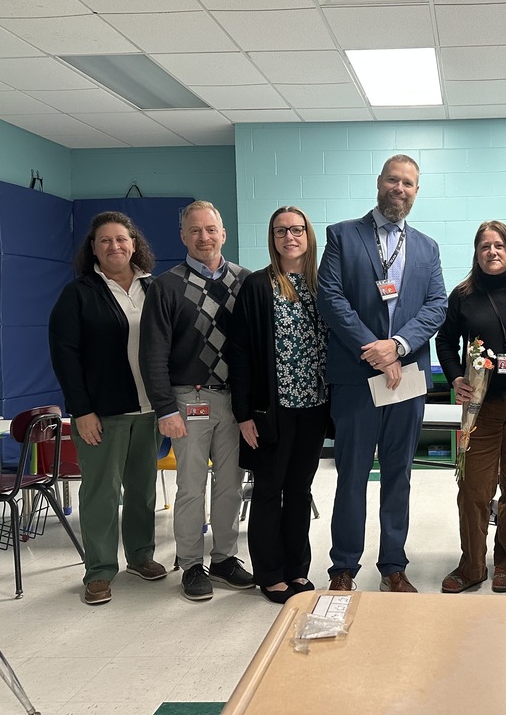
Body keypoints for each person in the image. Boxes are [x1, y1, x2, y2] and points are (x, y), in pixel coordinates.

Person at [317, 154, 447, 593]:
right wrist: (375, 350)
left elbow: (437, 305)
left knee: (398, 474)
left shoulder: (427, 247)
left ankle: (393, 565)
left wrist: (399, 346)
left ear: (416, 191)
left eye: (408, 183)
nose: (400, 188)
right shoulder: (342, 235)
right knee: (352, 475)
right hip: (357, 377)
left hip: (406, 378)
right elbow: (331, 298)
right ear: (379, 182)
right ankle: (343, 566)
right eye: (393, 180)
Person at [48, 211, 166, 605]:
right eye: (105, 240)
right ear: (94, 249)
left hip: (150, 410)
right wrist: (81, 410)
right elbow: (65, 356)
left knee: (143, 490)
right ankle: (98, 571)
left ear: (134, 244)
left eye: (121, 239)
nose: (114, 246)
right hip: (102, 413)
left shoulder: (154, 288)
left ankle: (141, 556)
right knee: (101, 493)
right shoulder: (78, 293)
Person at [140, 200, 254, 602]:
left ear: (223, 234)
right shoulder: (166, 286)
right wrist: (165, 408)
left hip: (235, 401)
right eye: (195, 230)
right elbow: (152, 353)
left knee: (231, 485)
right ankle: (190, 564)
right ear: (183, 236)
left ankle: (223, 559)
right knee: (190, 487)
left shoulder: (246, 281)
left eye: (210, 229)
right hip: (189, 400)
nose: (203, 237)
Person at [228, 206, 330, 604]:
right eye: (280, 231)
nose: (290, 237)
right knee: (269, 489)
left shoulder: (323, 285)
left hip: (315, 406)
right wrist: (243, 414)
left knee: (300, 490)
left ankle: (297, 569)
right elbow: (239, 354)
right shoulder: (258, 286)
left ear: (308, 235)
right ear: (272, 239)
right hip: (272, 409)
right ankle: (270, 574)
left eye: (297, 229)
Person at [435, 221, 506, 595]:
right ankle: (472, 565)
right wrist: (454, 377)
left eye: (499, 245)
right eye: (484, 246)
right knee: (473, 489)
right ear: (476, 253)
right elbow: (445, 341)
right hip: (480, 408)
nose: (492, 252)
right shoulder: (463, 295)